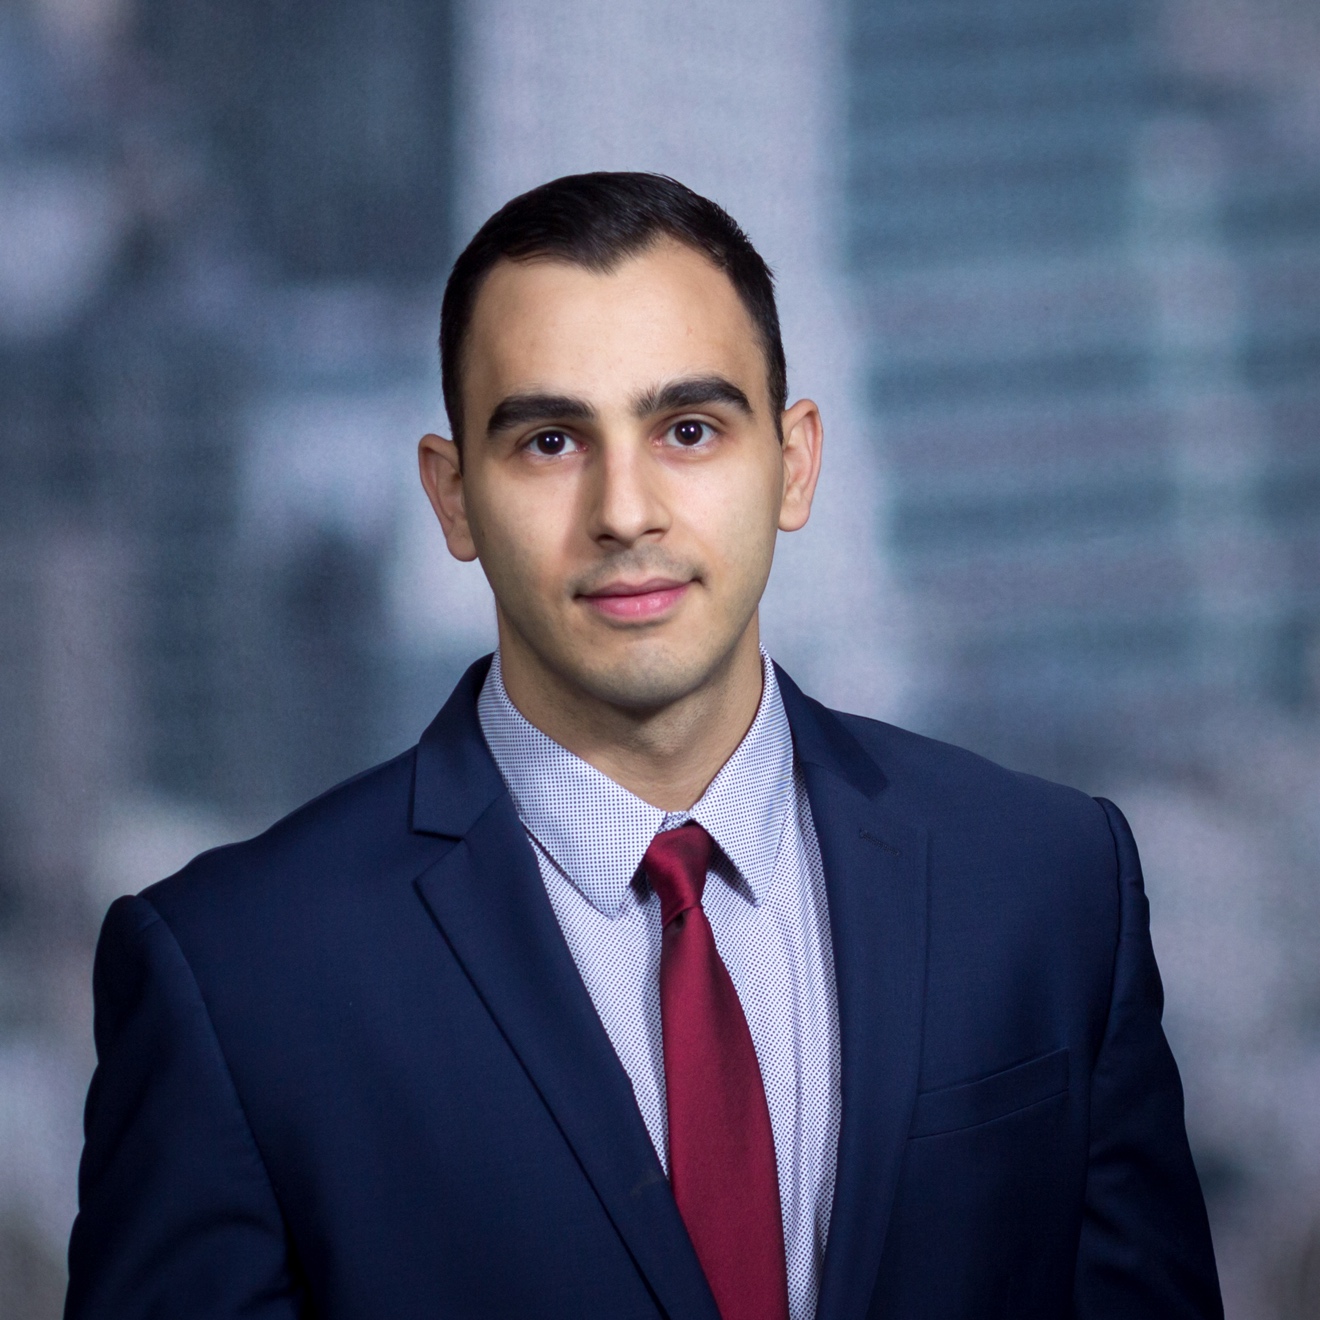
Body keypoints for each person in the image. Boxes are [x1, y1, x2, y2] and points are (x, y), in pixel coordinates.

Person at [65, 172, 1223, 1320]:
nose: (625, 511)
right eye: (550, 442)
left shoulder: (1046, 884)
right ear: (453, 496)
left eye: (689, 430)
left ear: (795, 463)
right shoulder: (238, 979)